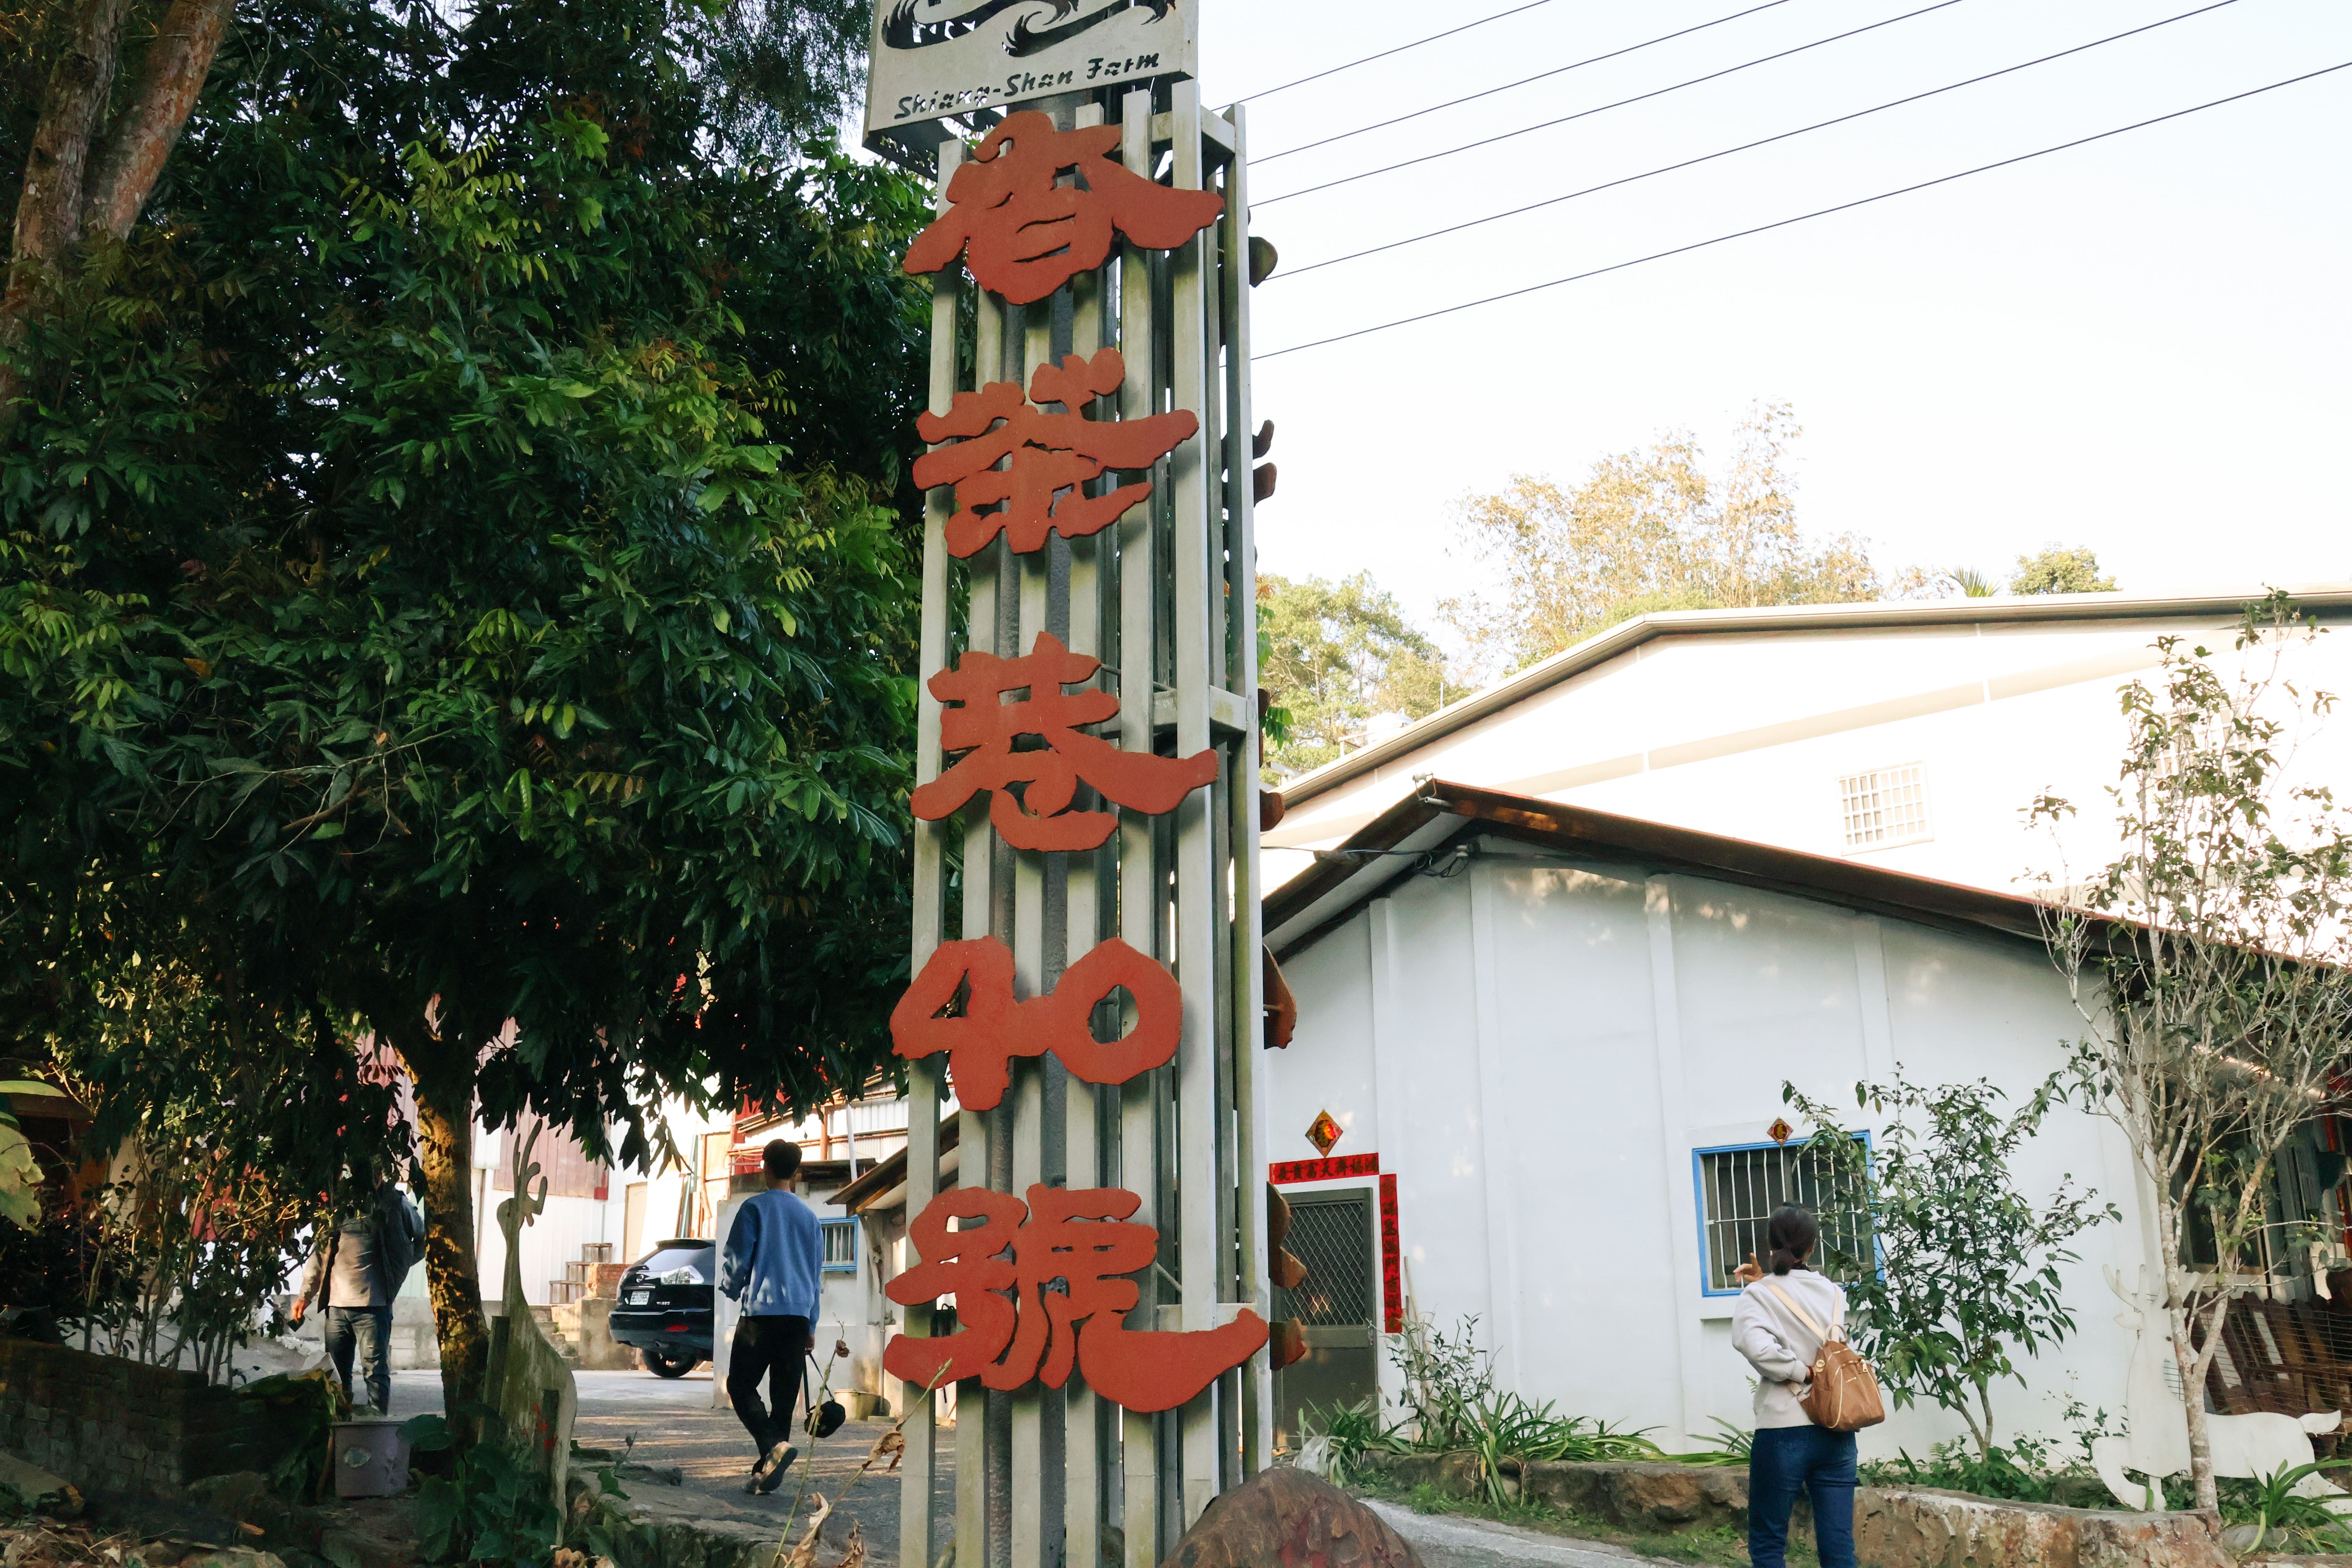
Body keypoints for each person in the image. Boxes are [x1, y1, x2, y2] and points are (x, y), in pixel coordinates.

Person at [1731, 1205, 1856, 1568]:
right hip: (1835, 1427)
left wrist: (1801, 1372)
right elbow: (1801, 1307)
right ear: (1813, 1247)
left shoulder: (1760, 1295)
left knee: (1769, 1542)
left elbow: (1756, 1347)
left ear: (1770, 1245)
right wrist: (1764, 1285)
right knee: (1838, 1546)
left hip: (1784, 1430)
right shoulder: (1834, 1293)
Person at [719, 1138, 824, 1496]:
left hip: (761, 1316)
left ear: (765, 1167)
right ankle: (766, 1472)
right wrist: (811, 1325)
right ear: (795, 1172)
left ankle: (772, 1448)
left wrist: (731, 1289)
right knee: (783, 1396)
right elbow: (815, 1275)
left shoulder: (754, 1208)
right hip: (797, 1317)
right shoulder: (811, 1218)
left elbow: (737, 1259)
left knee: (740, 1385)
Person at [292, 1165, 423, 1415]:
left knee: (375, 1373)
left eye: (375, 1171)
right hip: (336, 1307)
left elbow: (420, 1241)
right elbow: (320, 1253)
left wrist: (397, 1268)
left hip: (373, 1307)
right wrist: (304, 1296)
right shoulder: (340, 1205)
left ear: (382, 1172)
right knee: (336, 1377)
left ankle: (376, 1429)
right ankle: (340, 1432)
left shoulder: (396, 1204)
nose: (369, 1176)